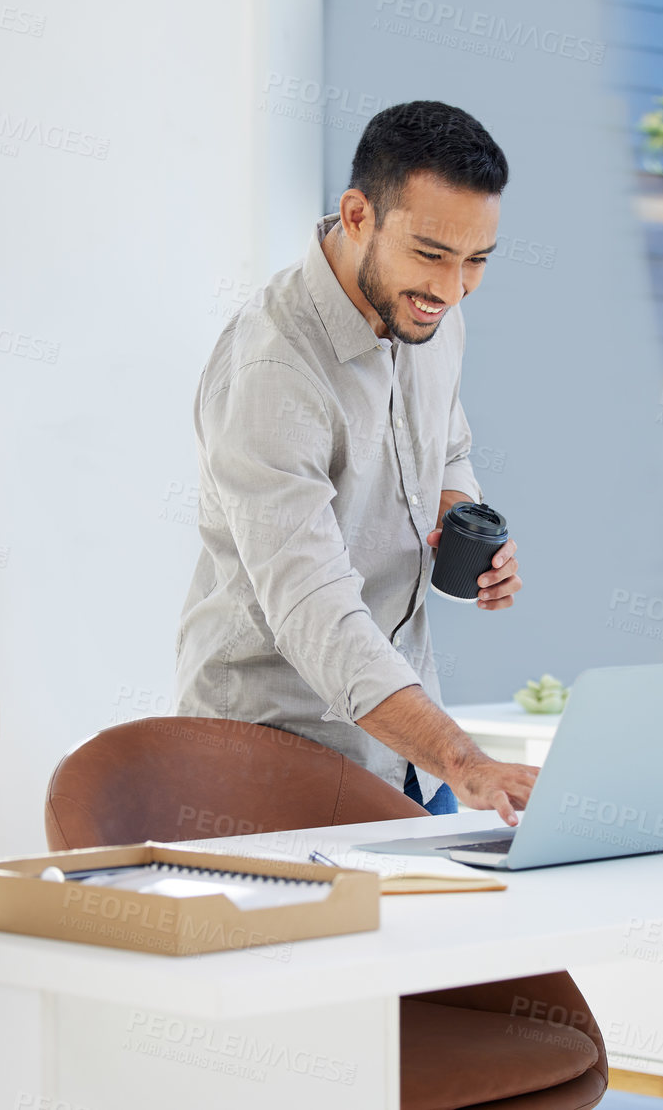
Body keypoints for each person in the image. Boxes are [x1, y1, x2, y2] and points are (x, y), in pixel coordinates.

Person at [174, 100, 537, 825]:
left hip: (404, 752)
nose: (451, 287)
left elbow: (448, 447)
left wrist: (456, 515)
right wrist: (463, 760)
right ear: (357, 214)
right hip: (271, 763)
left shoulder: (432, 308)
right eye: (431, 254)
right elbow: (313, 608)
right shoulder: (274, 370)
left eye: (476, 262)